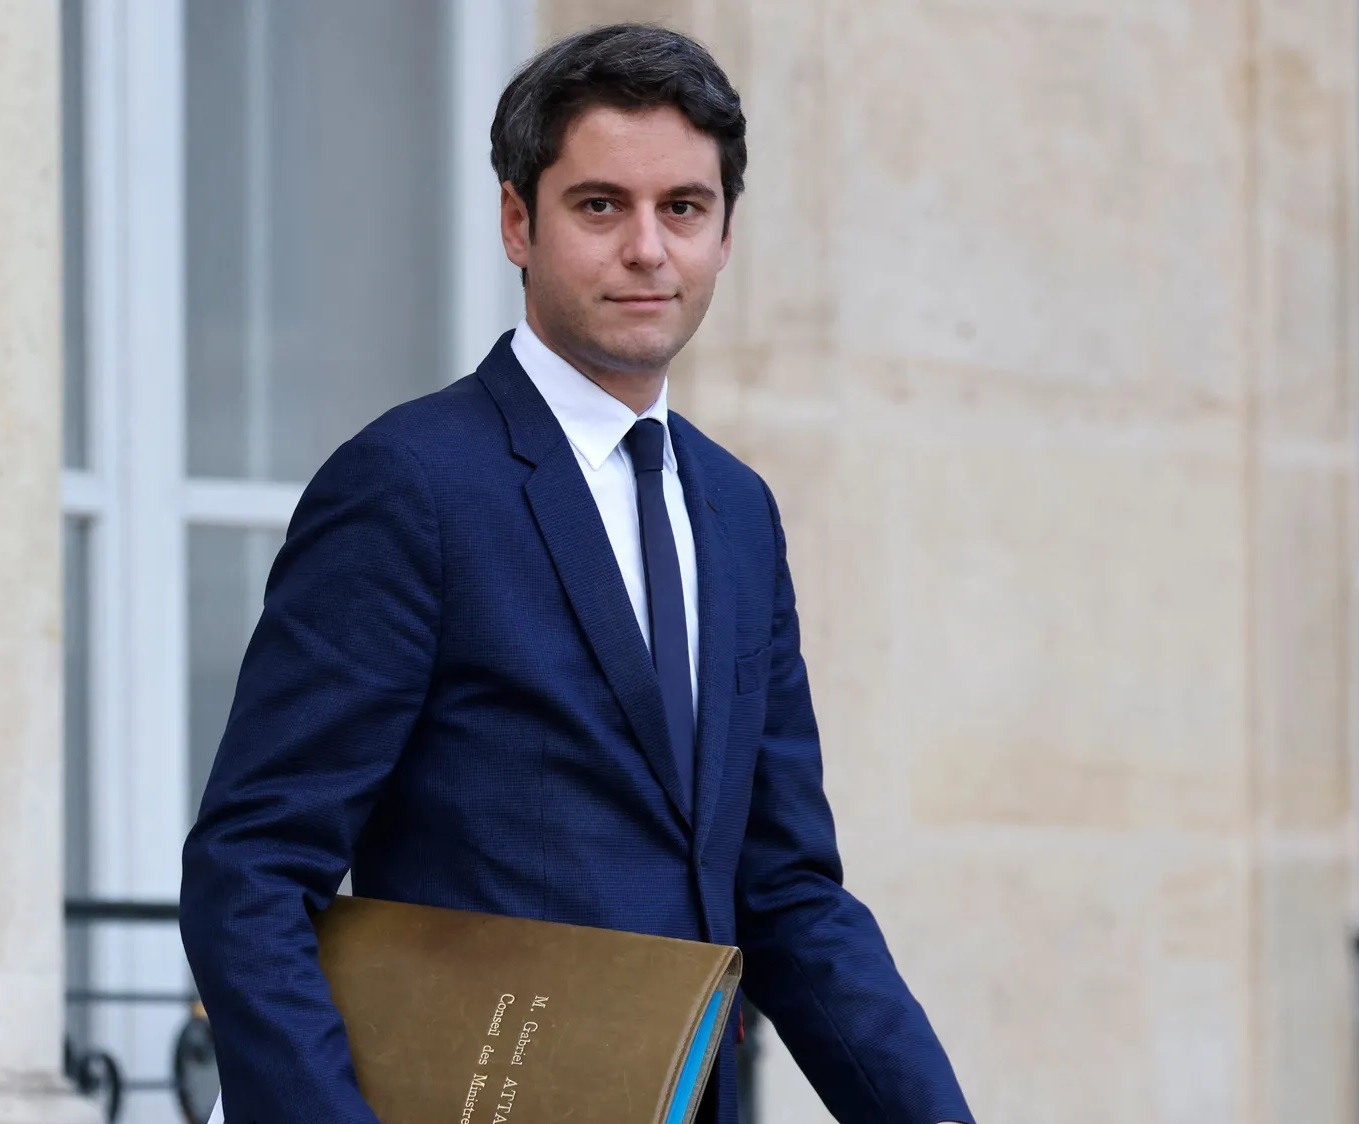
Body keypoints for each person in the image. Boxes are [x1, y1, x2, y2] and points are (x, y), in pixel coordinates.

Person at [178, 22, 974, 1124]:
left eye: (682, 208)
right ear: (518, 220)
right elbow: (252, 870)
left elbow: (787, 890)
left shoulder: (739, 512)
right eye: (601, 205)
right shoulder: (410, 485)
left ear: (725, 235)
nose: (647, 249)